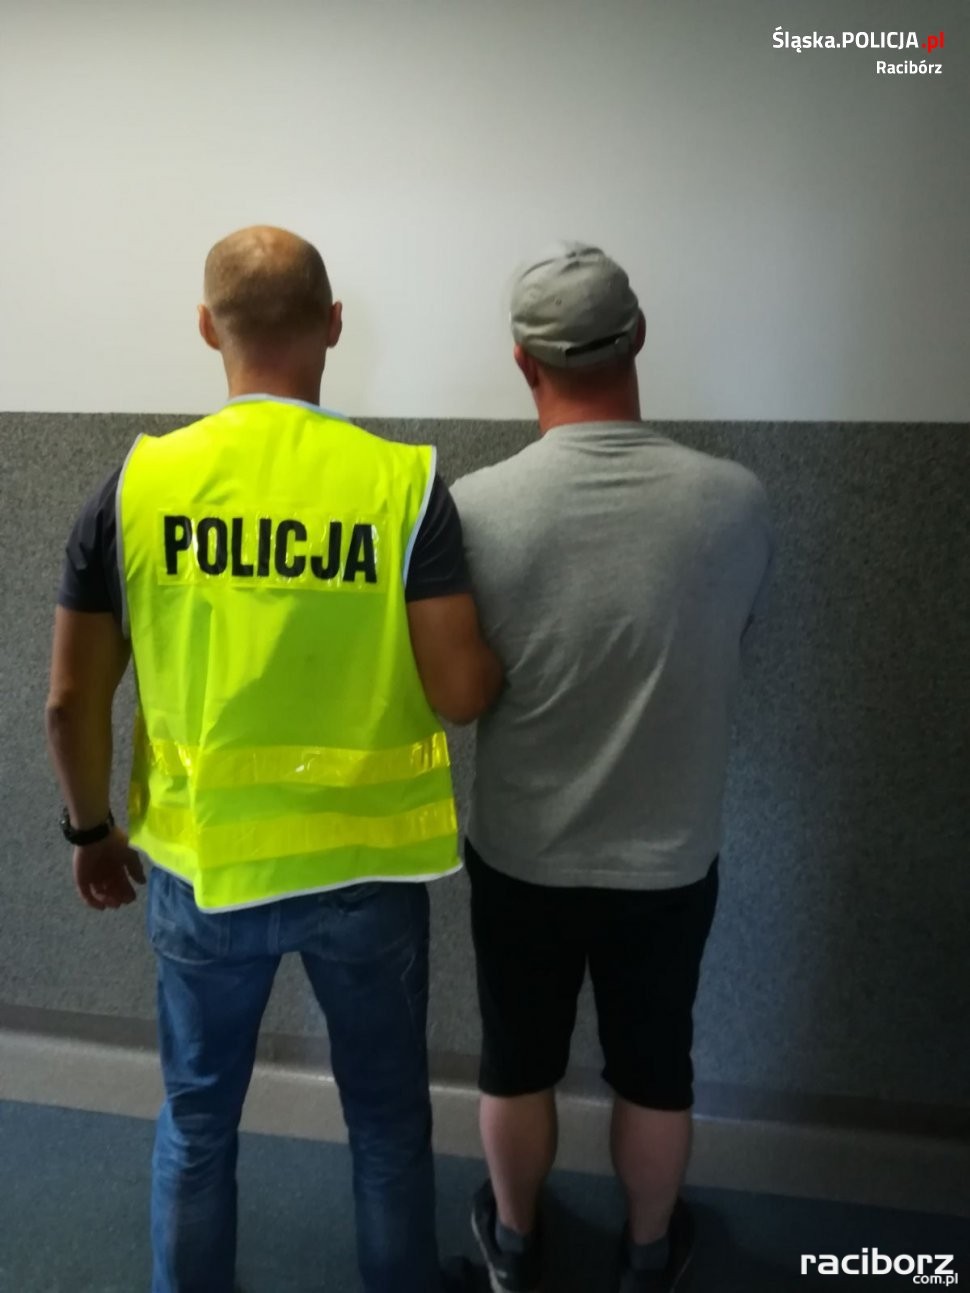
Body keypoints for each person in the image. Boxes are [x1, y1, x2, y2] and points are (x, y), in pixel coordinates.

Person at [46, 225, 501, 1293]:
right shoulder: (402, 485)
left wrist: (90, 829)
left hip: (206, 869)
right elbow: (461, 692)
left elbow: (70, 699)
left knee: (198, 1121)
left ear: (207, 328)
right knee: (386, 1120)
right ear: (334, 325)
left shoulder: (137, 486)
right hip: (365, 869)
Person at [450, 242, 773, 1293]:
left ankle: (513, 1246)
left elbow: (461, 683)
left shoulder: (474, 507)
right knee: (656, 1070)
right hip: (667, 859)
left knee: (516, 1062)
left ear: (521, 362)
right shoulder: (736, 501)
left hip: (522, 854)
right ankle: (645, 1254)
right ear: (637, 337)